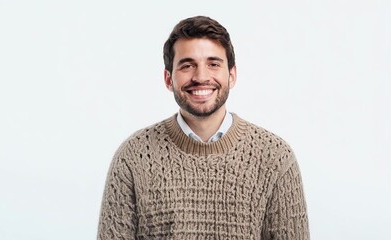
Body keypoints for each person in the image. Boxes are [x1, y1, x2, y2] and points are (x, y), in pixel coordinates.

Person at [97, 16, 309, 239]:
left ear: (232, 75)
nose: (201, 77)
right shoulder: (133, 157)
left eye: (213, 64)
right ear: (168, 79)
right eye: (187, 65)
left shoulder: (275, 158)